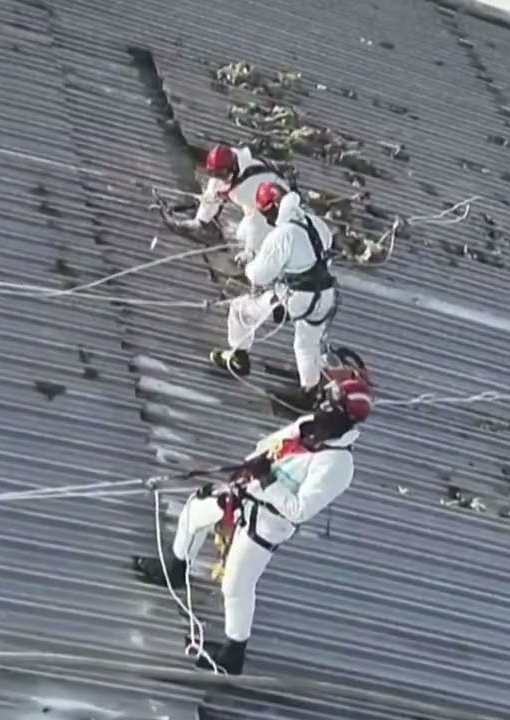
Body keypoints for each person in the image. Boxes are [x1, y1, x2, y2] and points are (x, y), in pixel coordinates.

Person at [131, 357, 375, 675]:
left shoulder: (338, 465)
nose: (321, 404)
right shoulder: (308, 427)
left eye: (329, 401)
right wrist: (248, 470)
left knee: (236, 585)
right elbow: (268, 447)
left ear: (342, 416)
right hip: (246, 495)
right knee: (194, 511)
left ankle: (234, 651)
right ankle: (176, 569)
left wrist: (265, 480)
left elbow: (299, 510)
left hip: (268, 523)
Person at [210, 182, 338, 410]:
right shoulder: (316, 224)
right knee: (306, 344)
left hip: (294, 298)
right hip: (326, 295)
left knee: (240, 310)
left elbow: (259, 276)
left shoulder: (282, 234)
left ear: (272, 208)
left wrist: (250, 264)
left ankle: (238, 357)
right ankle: (309, 393)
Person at [161, 144, 290, 264]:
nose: (218, 178)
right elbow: (212, 195)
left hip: (275, 210)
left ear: (233, 167)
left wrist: (250, 250)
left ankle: (257, 256)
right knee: (241, 235)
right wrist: (201, 220)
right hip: (253, 203)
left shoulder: (249, 186)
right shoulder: (228, 172)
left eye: (221, 174)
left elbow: (257, 218)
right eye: (213, 174)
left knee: (252, 230)